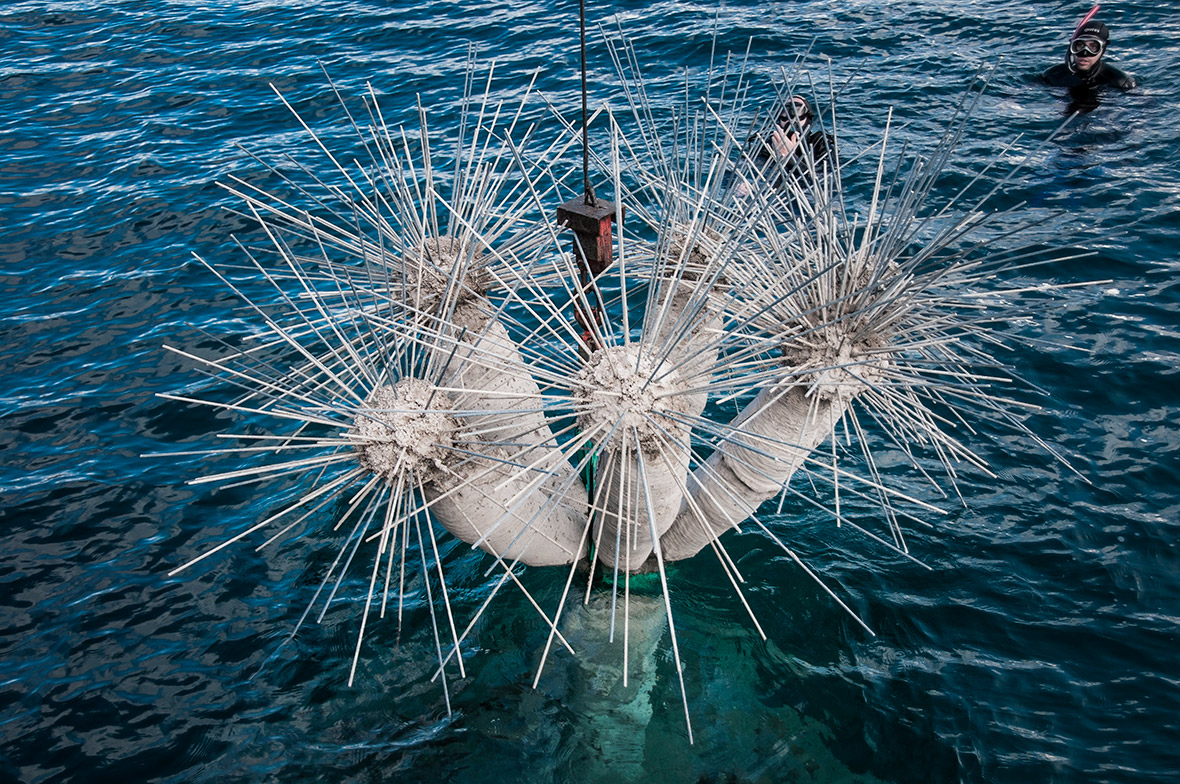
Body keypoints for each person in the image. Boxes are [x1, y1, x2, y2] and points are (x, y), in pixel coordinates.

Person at [1042, 14, 1135, 113]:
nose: (1084, 53)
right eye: (1079, 45)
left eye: (1093, 46)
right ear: (1072, 46)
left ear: (1103, 49)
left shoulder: (1121, 82)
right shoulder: (1053, 75)